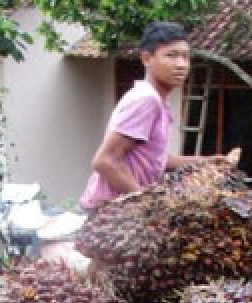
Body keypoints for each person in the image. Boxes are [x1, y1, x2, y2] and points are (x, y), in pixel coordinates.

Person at [79, 21, 238, 212]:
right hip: (110, 214)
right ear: (147, 58)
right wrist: (149, 207)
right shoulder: (147, 99)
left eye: (185, 57)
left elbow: (158, 160)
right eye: (171, 56)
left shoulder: (158, 101)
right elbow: (105, 161)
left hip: (123, 212)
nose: (181, 65)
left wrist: (211, 161)